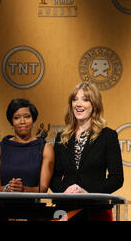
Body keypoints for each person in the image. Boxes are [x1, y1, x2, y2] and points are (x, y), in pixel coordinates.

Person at [50, 82, 123, 220]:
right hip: (65, 210)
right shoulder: (62, 137)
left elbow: (117, 178)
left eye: (85, 99)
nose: (78, 104)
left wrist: (89, 193)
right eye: (75, 99)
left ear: (94, 104)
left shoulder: (108, 136)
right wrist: (64, 192)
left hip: (95, 210)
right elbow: (54, 177)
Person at [0, 99, 54, 193]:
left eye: (27, 117)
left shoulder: (45, 148)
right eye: (17, 117)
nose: (22, 121)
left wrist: (23, 190)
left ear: (33, 120)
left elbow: (43, 188)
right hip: (4, 206)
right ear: (11, 122)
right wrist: (7, 188)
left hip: (33, 206)